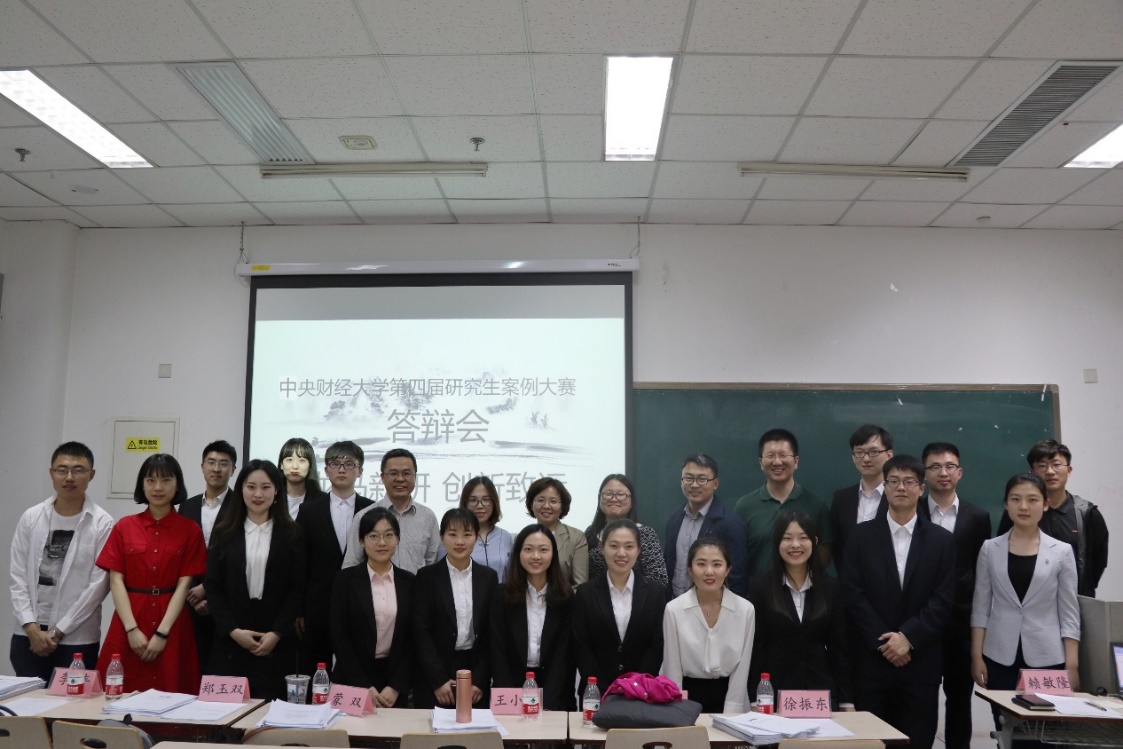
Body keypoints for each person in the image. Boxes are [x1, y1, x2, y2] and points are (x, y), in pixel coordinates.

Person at [841, 455, 955, 749]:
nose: (901, 488)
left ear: (921, 488)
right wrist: (886, 642)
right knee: (871, 744)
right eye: (893, 481)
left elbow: (943, 599)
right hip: (872, 664)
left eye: (908, 481)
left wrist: (909, 638)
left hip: (921, 664)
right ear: (885, 487)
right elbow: (853, 594)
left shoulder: (942, 540)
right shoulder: (860, 536)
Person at [95, 454, 206, 693]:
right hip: (130, 618)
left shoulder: (190, 530)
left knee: (172, 692)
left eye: (166, 480)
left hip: (172, 622)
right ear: (142, 485)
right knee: (117, 694)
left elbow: (184, 585)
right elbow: (116, 581)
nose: (158, 487)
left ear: (177, 484)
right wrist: (131, 630)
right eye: (150, 480)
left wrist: (162, 633)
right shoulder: (124, 526)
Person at [10, 442, 113, 681]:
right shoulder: (31, 517)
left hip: (77, 639)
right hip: (28, 636)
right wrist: (31, 627)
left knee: (72, 701)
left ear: (91, 475)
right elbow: (17, 575)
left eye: (78, 470)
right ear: (51, 473)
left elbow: (98, 586)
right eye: (62, 470)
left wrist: (59, 630)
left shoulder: (102, 523)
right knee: (26, 702)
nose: (69, 477)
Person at [972, 473, 1080, 699]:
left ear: (1046, 504)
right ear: (1006, 504)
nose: (1023, 507)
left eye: (1032, 500)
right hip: (999, 656)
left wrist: (1072, 665)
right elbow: (981, 607)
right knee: (1003, 718)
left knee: (1042, 719)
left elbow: (1069, 612)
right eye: (1015, 499)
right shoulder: (990, 549)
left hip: (1047, 657)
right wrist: (976, 656)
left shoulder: (1061, 552)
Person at [205, 460, 304, 701]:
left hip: (276, 641)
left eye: (266, 487)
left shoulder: (292, 534)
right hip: (231, 639)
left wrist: (277, 633)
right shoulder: (223, 532)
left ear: (277, 490)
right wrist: (233, 631)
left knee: (272, 714)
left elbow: (297, 588)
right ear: (241, 489)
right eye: (251, 487)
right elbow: (213, 587)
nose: (258, 494)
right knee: (226, 715)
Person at [918, 442, 991, 749]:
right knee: (920, 700)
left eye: (949, 466)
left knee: (959, 700)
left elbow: (981, 574)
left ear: (960, 472)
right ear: (924, 474)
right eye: (935, 467)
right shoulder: (911, 511)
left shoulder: (978, 517)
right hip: (920, 624)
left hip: (960, 624)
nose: (943, 473)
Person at [747, 511, 852, 710]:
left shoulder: (831, 588)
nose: (795, 545)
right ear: (777, 543)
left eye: (803, 538)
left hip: (820, 694)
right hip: (774, 694)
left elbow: (839, 648)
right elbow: (756, 648)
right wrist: (754, 698)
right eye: (787, 538)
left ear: (815, 541)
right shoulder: (760, 587)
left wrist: (846, 700)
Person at [295, 440, 372, 676]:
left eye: (349, 464)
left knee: (357, 669)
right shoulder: (309, 510)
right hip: (318, 606)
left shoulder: (371, 510)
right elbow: (300, 563)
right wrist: (299, 610)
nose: (342, 469)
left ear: (360, 471)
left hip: (361, 603)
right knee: (315, 670)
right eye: (335, 463)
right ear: (326, 469)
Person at [996, 440, 1108, 598]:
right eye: (1042, 465)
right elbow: (1002, 553)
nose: (1049, 471)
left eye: (1056, 465)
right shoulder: (1019, 513)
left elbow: (1097, 562)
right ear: (1032, 472)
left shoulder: (1087, 514)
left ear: (1069, 470)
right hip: (1028, 601)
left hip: (1075, 601)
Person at [413, 508, 499, 709]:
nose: (460, 541)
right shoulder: (426, 577)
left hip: (474, 669)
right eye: (452, 534)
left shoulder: (488, 577)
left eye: (467, 535)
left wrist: (480, 680)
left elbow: (491, 633)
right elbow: (420, 632)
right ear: (441, 537)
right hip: (435, 672)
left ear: (476, 537)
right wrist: (438, 680)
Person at [329, 508, 415, 707]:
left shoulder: (409, 582)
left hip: (394, 683)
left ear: (397, 539)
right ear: (361, 541)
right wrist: (363, 686)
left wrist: (396, 686)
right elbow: (339, 636)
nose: (382, 542)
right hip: (352, 679)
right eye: (373, 536)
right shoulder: (345, 580)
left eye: (389, 535)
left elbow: (412, 639)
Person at [572, 519, 665, 699]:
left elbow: (656, 646)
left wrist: (635, 686)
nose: (621, 553)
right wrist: (602, 688)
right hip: (596, 693)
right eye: (613, 546)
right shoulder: (585, 593)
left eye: (629, 546)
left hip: (640, 693)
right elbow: (582, 647)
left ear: (639, 550)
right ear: (602, 548)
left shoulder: (655, 592)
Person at [662, 537, 754, 714]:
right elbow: (672, 667)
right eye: (701, 564)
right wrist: (677, 710)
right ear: (690, 569)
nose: (709, 572)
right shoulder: (674, 609)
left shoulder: (745, 610)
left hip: (730, 693)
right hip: (687, 694)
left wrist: (732, 711)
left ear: (728, 569)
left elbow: (742, 669)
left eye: (717, 565)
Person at [491, 524, 575, 710]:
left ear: (553, 554)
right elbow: (498, 651)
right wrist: (510, 698)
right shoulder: (502, 596)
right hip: (510, 687)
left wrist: (549, 703)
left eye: (543, 550)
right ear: (518, 553)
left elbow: (564, 655)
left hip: (556, 689)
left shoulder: (566, 598)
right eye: (528, 549)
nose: (536, 556)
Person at [736, 429, 831, 578]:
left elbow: (824, 555)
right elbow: (737, 555)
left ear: (796, 461)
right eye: (770, 456)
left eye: (783, 455)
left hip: (804, 590)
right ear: (761, 463)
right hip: (757, 590)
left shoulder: (816, 504)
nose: (777, 462)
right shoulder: (744, 506)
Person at [181, 439, 237, 671]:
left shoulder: (241, 506)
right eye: (211, 462)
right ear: (202, 466)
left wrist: (208, 590)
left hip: (228, 602)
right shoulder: (187, 506)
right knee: (192, 666)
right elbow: (182, 554)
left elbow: (236, 559)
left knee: (221, 668)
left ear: (233, 469)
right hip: (190, 600)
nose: (216, 469)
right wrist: (192, 593)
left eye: (224, 463)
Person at [664, 454, 749, 597]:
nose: (694, 485)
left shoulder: (731, 524)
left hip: (712, 605)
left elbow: (737, 578)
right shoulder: (674, 519)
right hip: (675, 604)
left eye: (702, 479)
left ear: (715, 484)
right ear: (681, 481)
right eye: (688, 478)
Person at [344, 448, 439, 574]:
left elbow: (433, 564)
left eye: (406, 473)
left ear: (415, 477)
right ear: (382, 477)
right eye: (393, 473)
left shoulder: (428, 517)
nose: (400, 479)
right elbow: (351, 565)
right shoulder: (363, 517)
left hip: (418, 587)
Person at [585, 474, 668, 589]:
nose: (614, 499)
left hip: (637, 598)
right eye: (608, 494)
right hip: (596, 598)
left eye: (621, 495)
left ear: (631, 501)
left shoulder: (645, 533)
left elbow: (659, 577)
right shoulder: (591, 533)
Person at [830, 425, 893, 567]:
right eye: (859, 452)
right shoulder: (841, 499)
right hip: (849, 579)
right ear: (853, 457)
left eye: (874, 452)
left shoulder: (902, 497)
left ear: (889, 455)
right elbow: (837, 546)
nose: (866, 459)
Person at [437, 476, 512, 582]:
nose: (480, 506)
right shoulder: (451, 536)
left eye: (486, 500)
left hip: (498, 592)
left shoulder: (505, 537)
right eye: (473, 500)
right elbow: (441, 573)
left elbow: (511, 576)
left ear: (494, 502)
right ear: (465, 503)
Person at [525, 477, 588, 586]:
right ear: (531, 504)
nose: (546, 506)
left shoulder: (576, 537)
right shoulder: (522, 537)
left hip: (565, 597)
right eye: (540, 500)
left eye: (553, 501)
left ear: (562, 506)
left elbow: (580, 585)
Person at [277, 437, 325, 519]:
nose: (295, 466)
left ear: (310, 466)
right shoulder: (272, 498)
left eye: (302, 460)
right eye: (289, 460)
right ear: (281, 464)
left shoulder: (322, 501)